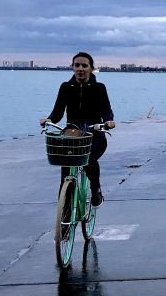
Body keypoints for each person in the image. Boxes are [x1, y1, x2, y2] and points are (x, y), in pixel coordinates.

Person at [40, 52, 115, 206]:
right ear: (72, 67)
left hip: (95, 136)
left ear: (91, 68)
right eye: (77, 65)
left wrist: (108, 121)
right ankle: (64, 217)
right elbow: (58, 111)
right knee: (66, 171)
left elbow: (107, 110)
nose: (80, 68)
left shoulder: (99, 88)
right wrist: (50, 119)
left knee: (89, 159)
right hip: (72, 136)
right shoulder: (66, 87)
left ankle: (95, 188)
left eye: (84, 65)